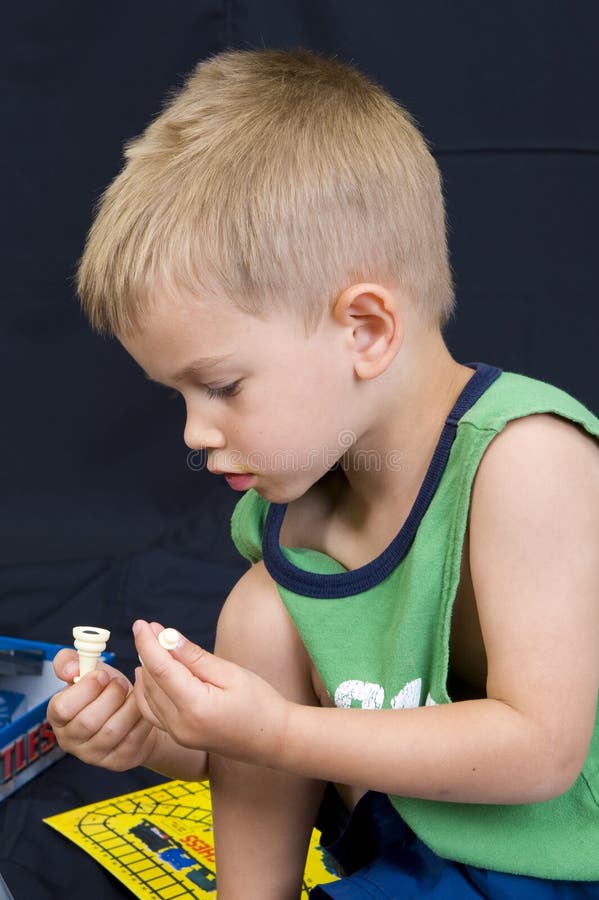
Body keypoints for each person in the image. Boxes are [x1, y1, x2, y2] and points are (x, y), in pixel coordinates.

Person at [47, 49, 599, 898]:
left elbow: (540, 754)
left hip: (556, 858)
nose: (195, 433)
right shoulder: (300, 508)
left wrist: (274, 730)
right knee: (263, 607)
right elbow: (308, 742)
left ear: (366, 330)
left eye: (223, 386)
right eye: (179, 396)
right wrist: (163, 738)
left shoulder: (528, 461)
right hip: (405, 837)